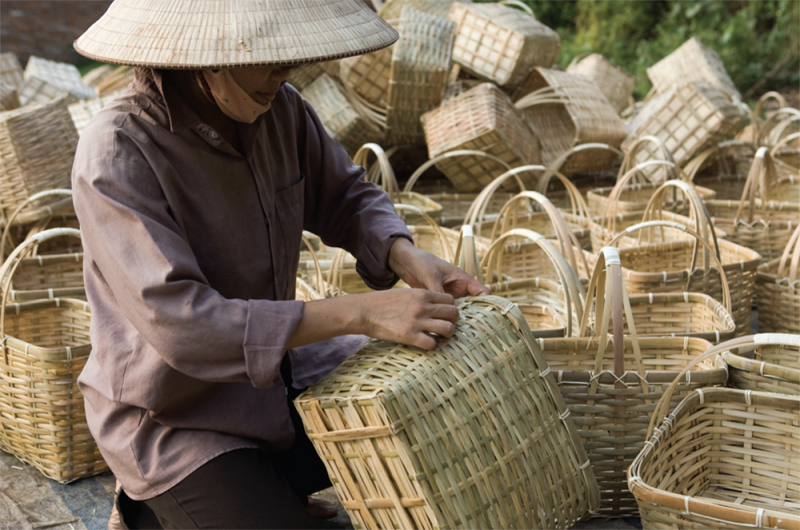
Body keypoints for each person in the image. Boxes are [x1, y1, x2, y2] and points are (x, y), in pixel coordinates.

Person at [71, 1, 489, 529]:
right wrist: (360, 312)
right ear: (209, 58)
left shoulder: (281, 108)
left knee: (432, 401)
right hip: (177, 418)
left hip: (277, 382)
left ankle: (264, 487)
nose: (284, 70)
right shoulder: (117, 151)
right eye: (266, 54)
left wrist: (404, 254)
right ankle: (151, 505)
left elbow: (345, 195)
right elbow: (185, 326)